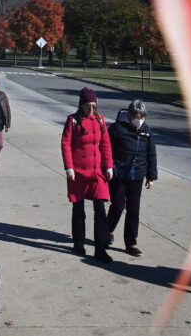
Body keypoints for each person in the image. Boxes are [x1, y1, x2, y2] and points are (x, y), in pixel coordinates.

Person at [61, 87, 114, 264]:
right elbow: (66, 144)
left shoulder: (99, 120)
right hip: (77, 173)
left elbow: (105, 144)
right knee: (79, 210)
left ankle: (100, 249)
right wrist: (69, 168)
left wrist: (109, 166)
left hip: (96, 172)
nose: (91, 109)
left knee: (100, 209)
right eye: (88, 106)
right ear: (81, 105)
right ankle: (78, 243)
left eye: (94, 106)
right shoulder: (73, 121)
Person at [106, 99, 158, 257]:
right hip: (119, 174)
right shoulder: (116, 129)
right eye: (136, 116)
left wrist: (151, 176)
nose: (139, 119)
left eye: (142, 117)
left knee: (133, 209)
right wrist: (107, 168)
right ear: (129, 115)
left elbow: (151, 154)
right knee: (117, 205)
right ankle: (107, 231)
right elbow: (106, 150)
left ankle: (131, 242)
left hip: (137, 175)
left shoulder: (146, 130)